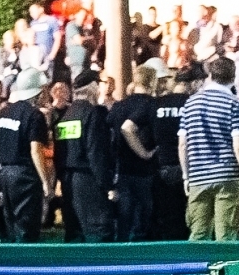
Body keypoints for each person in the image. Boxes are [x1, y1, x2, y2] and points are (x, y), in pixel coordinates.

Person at [180, 57, 239, 241]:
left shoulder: (190, 104)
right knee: (226, 236)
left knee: (198, 236)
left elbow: (183, 144)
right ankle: (224, 270)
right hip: (229, 176)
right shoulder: (236, 104)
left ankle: (197, 271)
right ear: (233, 77)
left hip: (198, 177)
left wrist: (186, 175)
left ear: (210, 75)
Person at [50, 71, 115, 242]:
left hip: (68, 181)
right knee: (98, 230)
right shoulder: (92, 114)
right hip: (89, 180)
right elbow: (96, 154)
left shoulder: (65, 117)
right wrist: (107, 185)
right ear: (93, 87)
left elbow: (58, 153)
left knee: (74, 230)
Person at [0, 68, 52, 242]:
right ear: (38, 91)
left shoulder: (5, 112)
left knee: (11, 225)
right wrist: (45, 182)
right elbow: (35, 150)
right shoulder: (34, 115)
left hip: (5, 174)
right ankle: (26, 265)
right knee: (27, 228)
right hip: (25, 177)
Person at [109, 65, 159, 242]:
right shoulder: (151, 105)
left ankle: (120, 257)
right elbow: (127, 129)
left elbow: (110, 132)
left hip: (121, 168)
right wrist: (144, 153)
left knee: (124, 219)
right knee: (143, 219)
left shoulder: (118, 106)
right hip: (144, 171)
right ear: (152, 81)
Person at [151, 66, 197, 240]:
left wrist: (147, 153)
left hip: (162, 164)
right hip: (190, 166)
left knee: (166, 216)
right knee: (188, 217)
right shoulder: (193, 103)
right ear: (191, 84)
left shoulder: (157, 104)